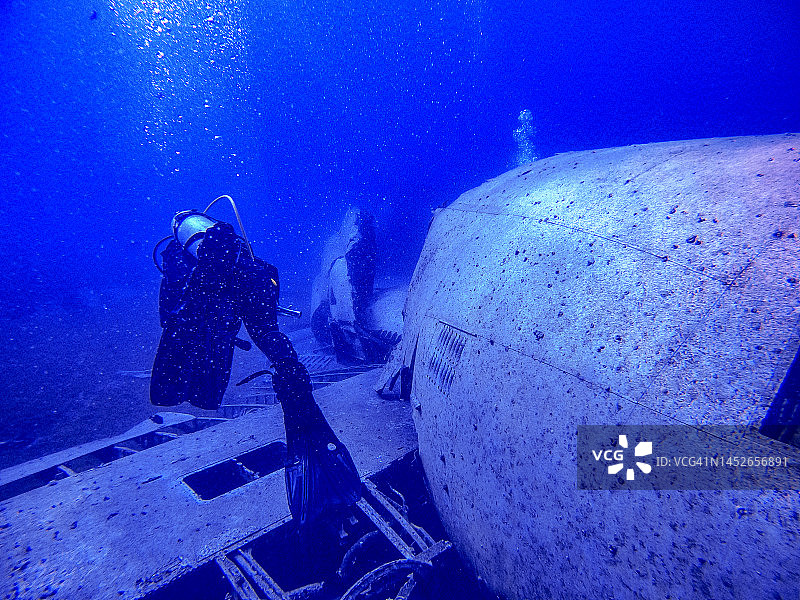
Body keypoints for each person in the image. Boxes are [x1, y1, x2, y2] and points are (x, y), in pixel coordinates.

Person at [150, 219, 362, 528]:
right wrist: (286, 364)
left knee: (200, 334)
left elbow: (170, 315)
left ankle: (284, 387)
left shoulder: (177, 257)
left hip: (221, 290)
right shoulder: (235, 255)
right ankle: (295, 387)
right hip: (248, 280)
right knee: (264, 339)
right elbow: (265, 324)